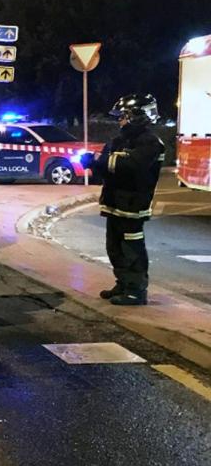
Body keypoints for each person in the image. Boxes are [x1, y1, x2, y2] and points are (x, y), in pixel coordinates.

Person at [80, 93, 165, 306]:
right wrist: (91, 163)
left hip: (133, 206)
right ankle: (124, 283)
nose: (120, 120)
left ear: (138, 116)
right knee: (114, 247)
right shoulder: (119, 140)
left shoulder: (150, 142)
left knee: (132, 249)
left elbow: (131, 167)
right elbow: (106, 168)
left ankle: (136, 291)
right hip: (114, 203)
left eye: (123, 115)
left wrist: (101, 161)